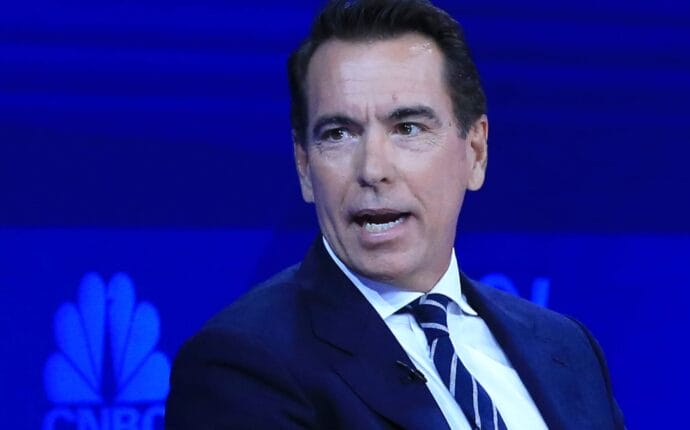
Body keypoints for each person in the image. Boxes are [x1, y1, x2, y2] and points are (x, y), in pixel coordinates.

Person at [166, 0, 625, 428]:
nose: (372, 170)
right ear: (304, 167)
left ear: (476, 151)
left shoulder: (566, 347)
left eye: (407, 128)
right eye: (338, 134)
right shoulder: (239, 366)